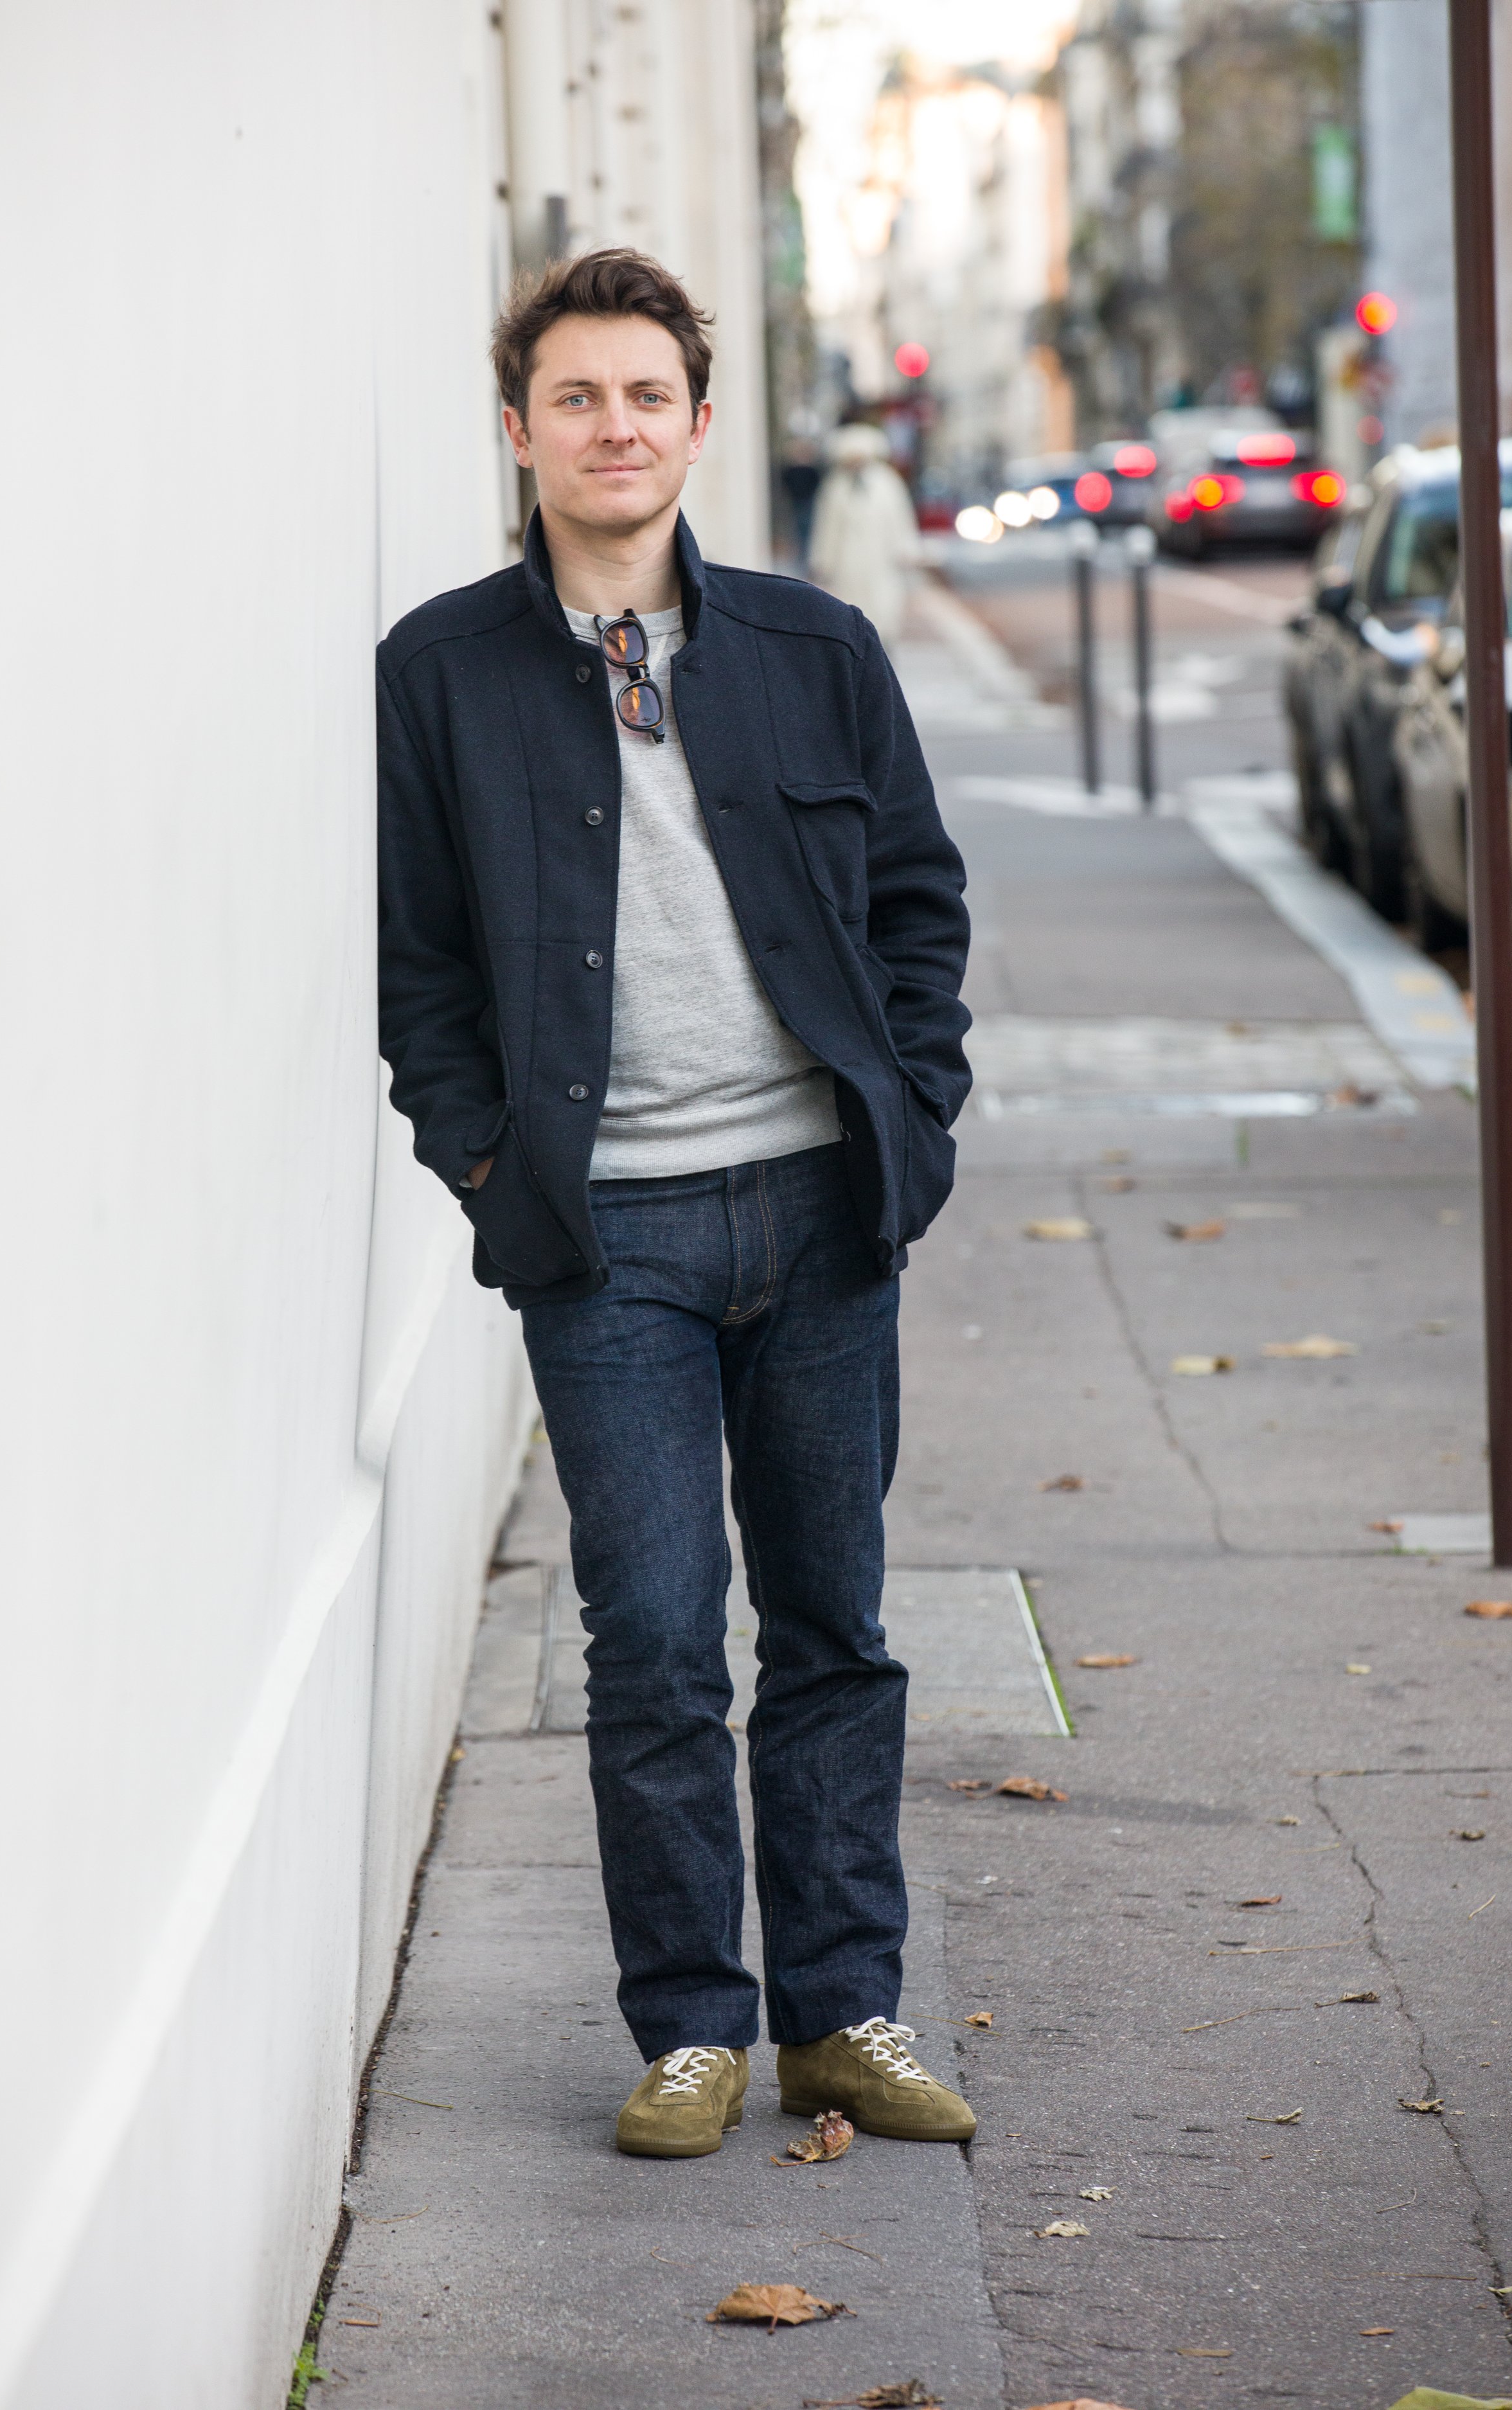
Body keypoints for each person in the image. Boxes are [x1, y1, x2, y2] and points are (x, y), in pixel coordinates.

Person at [376, 248, 974, 2161]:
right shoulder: (440, 672)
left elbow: (918, 903)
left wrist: (915, 1116)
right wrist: (487, 1164)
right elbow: (421, 968)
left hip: (817, 1207)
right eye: (575, 396)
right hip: (605, 1232)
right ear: (519, 429)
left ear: (698, 424)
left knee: (831, 1622)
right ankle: (693, 2025)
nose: (612, 426)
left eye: (645, 394)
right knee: (646, 1633)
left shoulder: (815, 649)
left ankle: (843, 2011)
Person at [807, 421, 922, 650]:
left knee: (884, 610)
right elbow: (827, 527)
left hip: (882, 561)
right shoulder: (836, 487)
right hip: (847, 562)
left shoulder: (887, 483)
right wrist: (822, 562)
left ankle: (882, 649)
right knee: (850, 610)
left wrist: (907, 551)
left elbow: (900, 519)